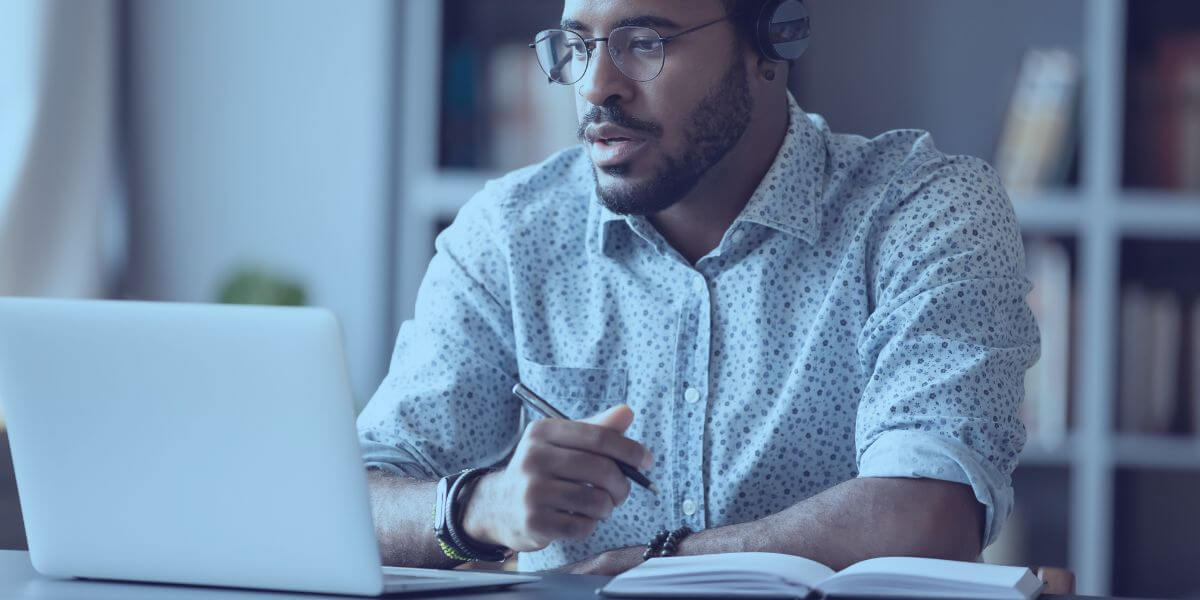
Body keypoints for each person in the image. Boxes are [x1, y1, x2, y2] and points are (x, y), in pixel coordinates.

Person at [357, 0, 1039, 576]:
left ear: (772, 39)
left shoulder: (921, 211)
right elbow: (351, 499)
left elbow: (926, 515)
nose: (597, 87)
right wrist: (478, 507)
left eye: (644, 42)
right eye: (577, 46)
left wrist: (669, 564)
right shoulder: (511, 234)